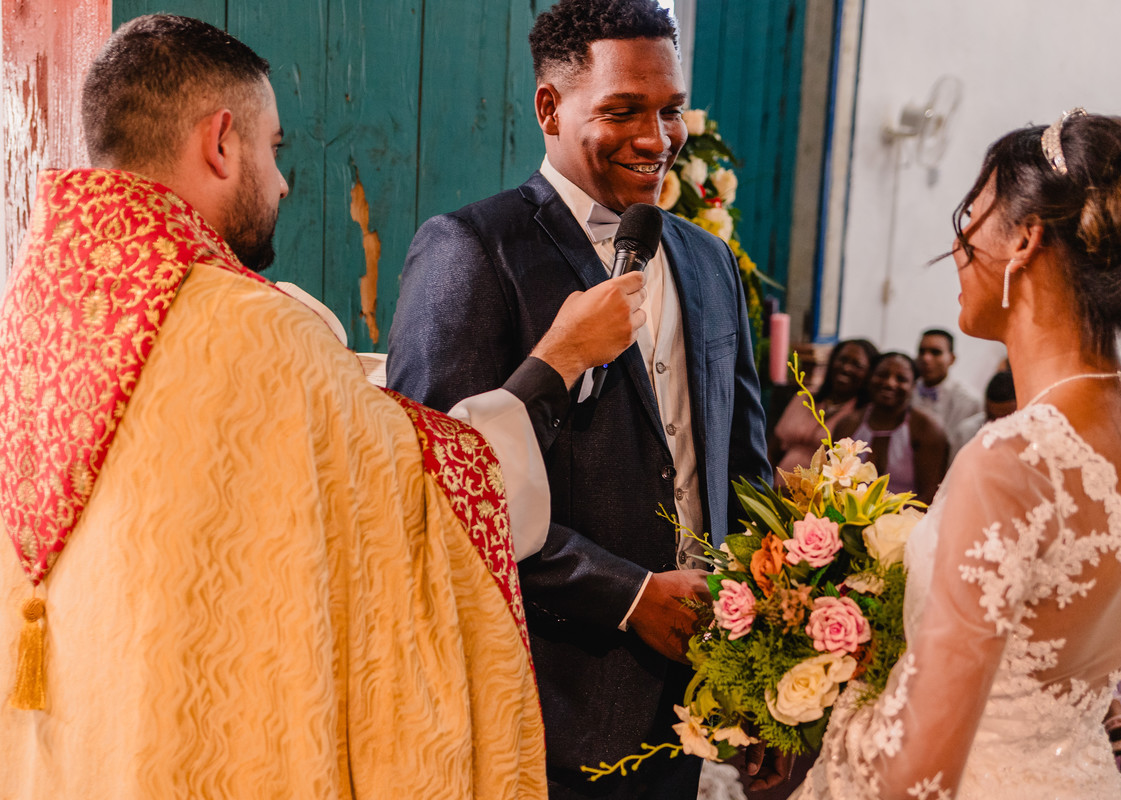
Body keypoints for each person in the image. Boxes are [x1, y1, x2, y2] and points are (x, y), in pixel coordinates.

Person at [0, 15, 650, 799]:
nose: (280, 182)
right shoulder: (255, 329)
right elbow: (430, 503)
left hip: (83, 739)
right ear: (220, 141)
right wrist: (560, 361)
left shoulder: (38, 304)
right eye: (274, 149)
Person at [385, 1, 772, 797]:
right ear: (550, 108)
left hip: (697, 704)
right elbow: (434, 491)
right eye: (623, 111)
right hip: (544, 702)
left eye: (670, 112)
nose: (656, 139)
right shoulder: (472, 250)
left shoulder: (709, 263)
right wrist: (626, 596)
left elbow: (743, 473)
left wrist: (765, 667)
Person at [796, 110, 1121, 800]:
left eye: (970, 216)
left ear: (1025, 239)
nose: (956, 246)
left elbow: (916, 777)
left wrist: (835, 699)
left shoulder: (1015, 458)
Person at [831, 352, 947, 505]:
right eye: (882, 375)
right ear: (869, 378)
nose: (889, 383)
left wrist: (886, 521)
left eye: (901, 379)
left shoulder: (926, 431)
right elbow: (833, 484)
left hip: (906, 523)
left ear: (913, 386)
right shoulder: (848, 425)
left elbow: (931, 495)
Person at [773, 338, 878, 484]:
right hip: (778, 488)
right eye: (842, 360)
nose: (846, 368)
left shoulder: (862, 414)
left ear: (869, 373)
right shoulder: (806, 395)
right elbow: (774, 447)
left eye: (857, 365)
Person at [912, 328, 982, 435]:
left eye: (935, 352)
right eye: (922, 352)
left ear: (952, 359)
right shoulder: (906, 392)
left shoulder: (970, 402)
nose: (926, 358)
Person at [947, 369, 1017, 460]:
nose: (995, 426)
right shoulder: (966, 434)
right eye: (991, 419)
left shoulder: (1032, 442)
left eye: (1004, 420)